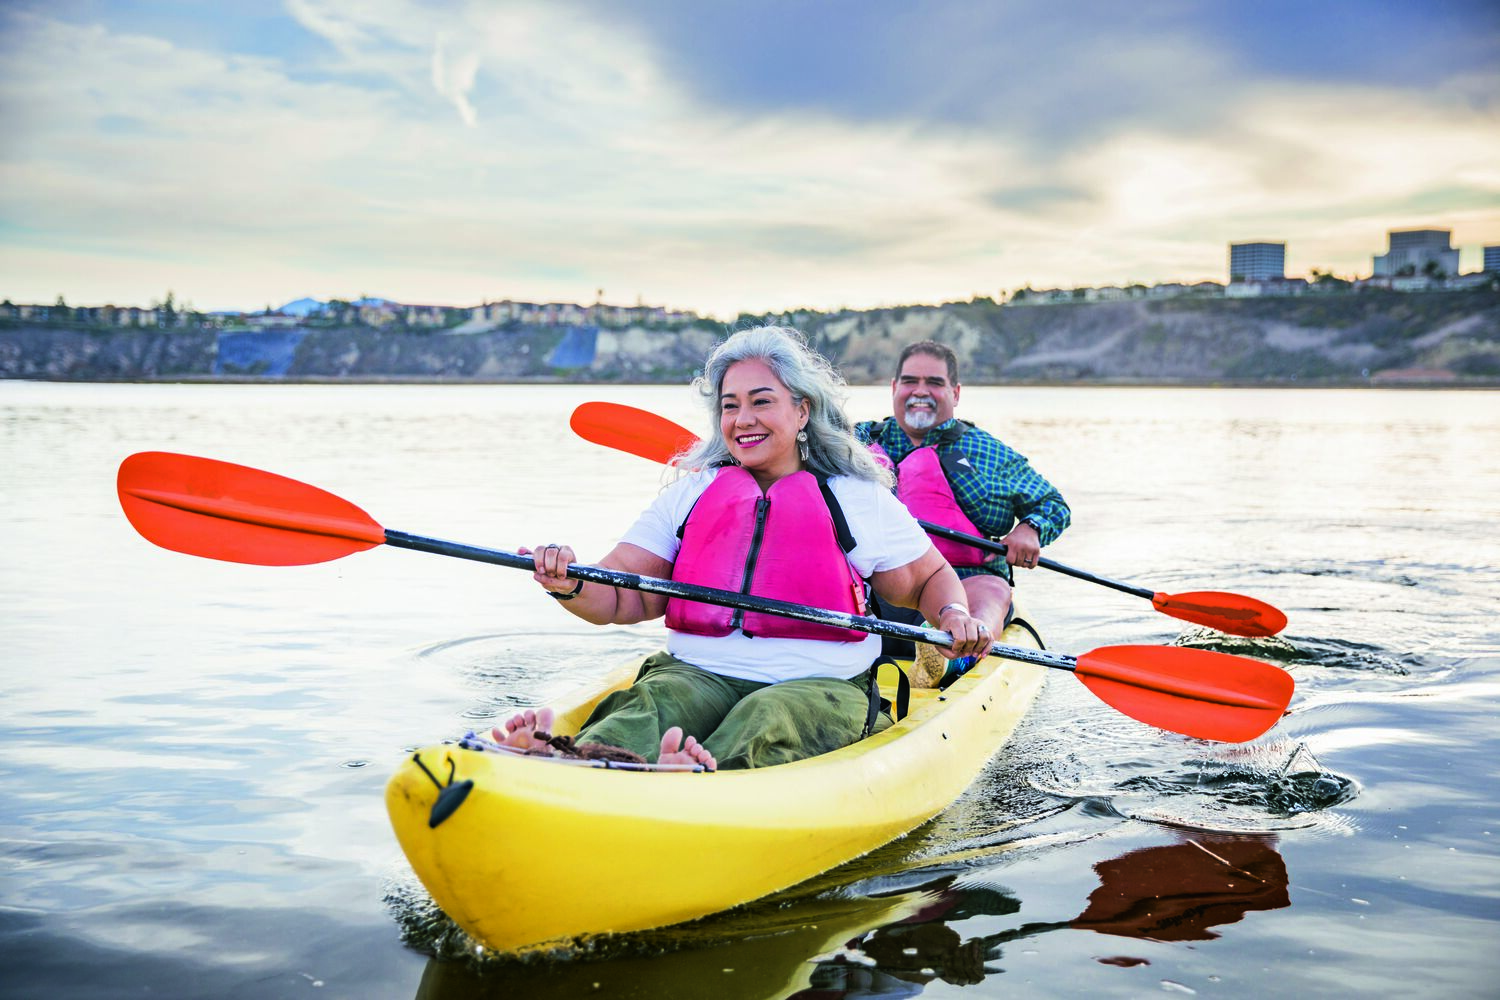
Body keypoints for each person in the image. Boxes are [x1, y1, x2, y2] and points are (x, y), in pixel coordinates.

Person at [494, 326, 994, 771]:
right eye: (729, 405)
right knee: (656, 703)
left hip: (818, 687)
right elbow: (623, 595)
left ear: (802, 410)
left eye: (761, 401)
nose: (742, 418)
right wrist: (571, 583)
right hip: (697, 673)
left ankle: (692, 777)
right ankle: (572, 759)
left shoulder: (855, 496)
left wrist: (953, 613)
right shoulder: (692, 493)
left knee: (767, 715)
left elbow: (929, 578)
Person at [855, 341, 1070, 667]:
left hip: (968, 581)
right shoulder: (856, 442)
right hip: (878, 585)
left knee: (989, 591)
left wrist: (1031, 529)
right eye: (910, 381)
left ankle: (960, 649)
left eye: (935, 383)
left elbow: (1052, 503)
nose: (920, 391)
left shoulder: (989, 452)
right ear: (894, 388)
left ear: (955, 393)